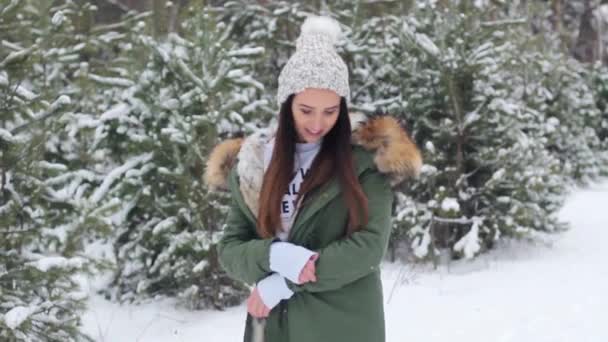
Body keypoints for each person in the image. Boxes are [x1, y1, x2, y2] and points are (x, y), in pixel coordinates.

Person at [204, 15, 422, 342]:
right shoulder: (253, 165)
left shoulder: (365, 162)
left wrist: (284, 282)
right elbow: (231, 248)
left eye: (330, 111)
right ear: (287, 103)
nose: (318, 123)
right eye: (306, 110)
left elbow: (368, 247)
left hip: (341, 326)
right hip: (273, 328)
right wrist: (273, 256)